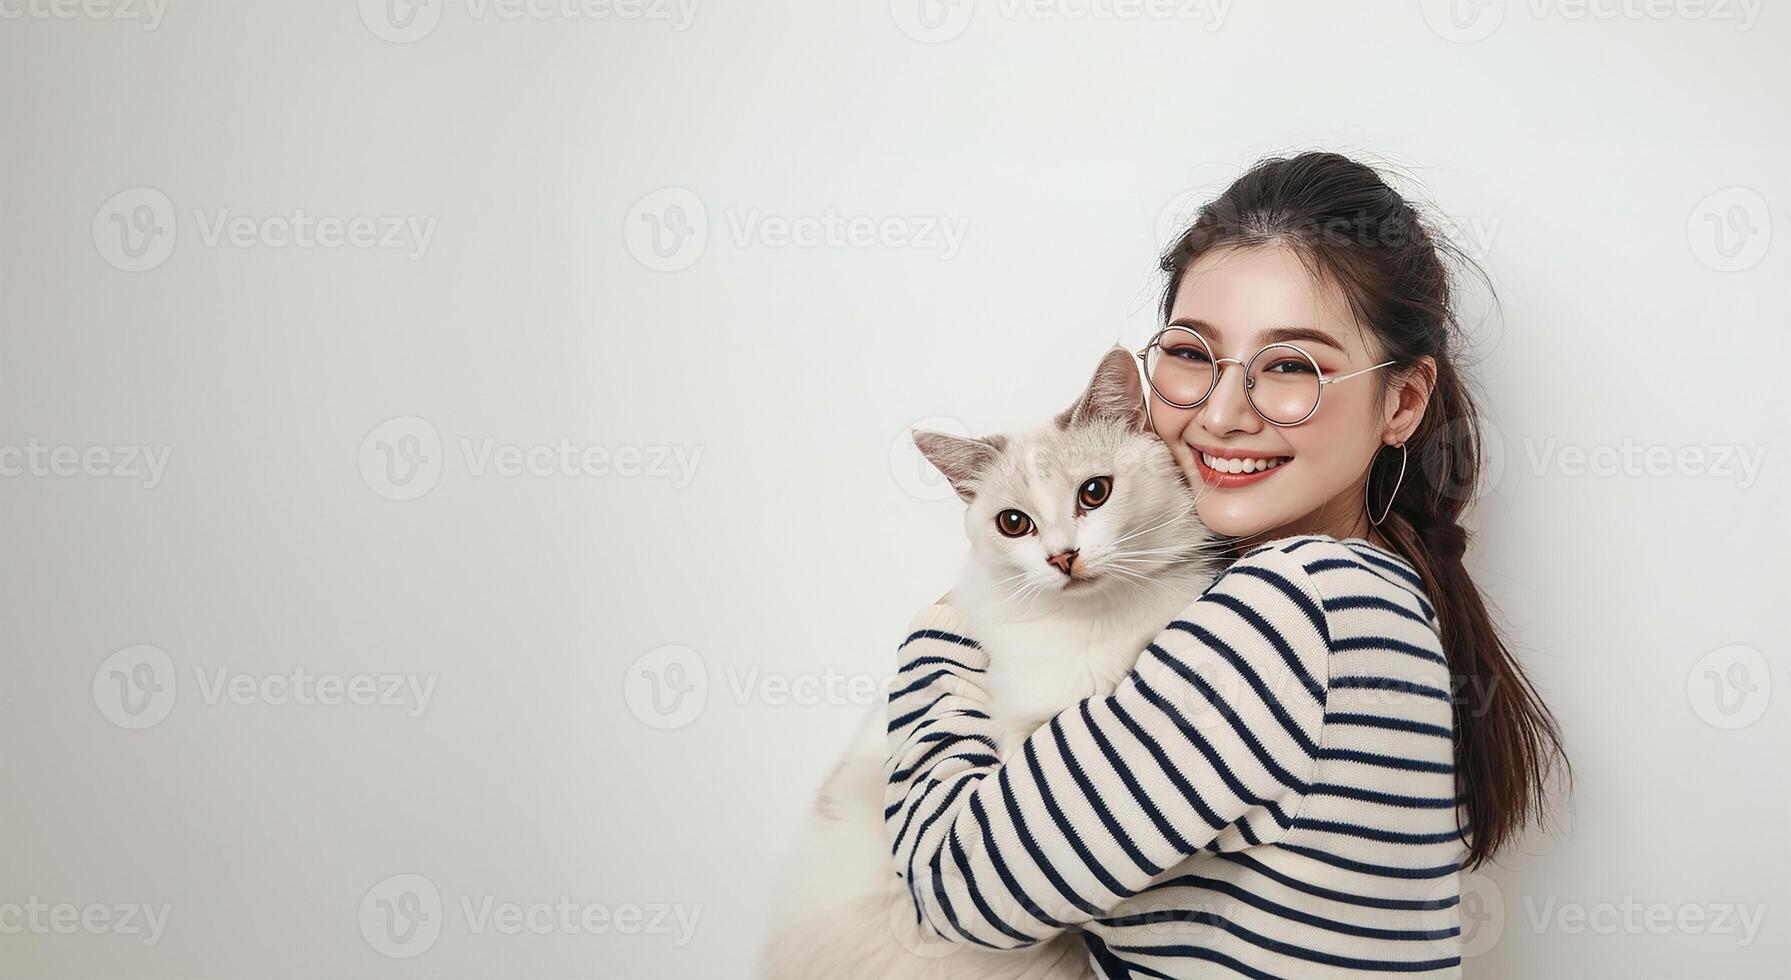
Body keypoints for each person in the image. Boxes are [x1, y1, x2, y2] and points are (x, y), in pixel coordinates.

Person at [884, 151, 1568, 978]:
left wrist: (945, 637)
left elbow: (957, 886)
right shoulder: (1375, 592)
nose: (1220, 412)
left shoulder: (1295, 606)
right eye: (1191, 355)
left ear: (1402, 402)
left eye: (1290, 367)